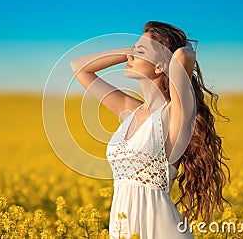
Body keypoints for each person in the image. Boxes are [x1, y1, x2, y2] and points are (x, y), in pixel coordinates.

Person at [70, 21, 231, 238]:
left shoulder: (176, 113)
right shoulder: (130, 110)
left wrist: (175, 52)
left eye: (140, 51)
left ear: (160, 66)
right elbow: (78, 67)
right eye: (133, 49)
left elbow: (184, 56)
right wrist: (127, 52)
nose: (131, 56)